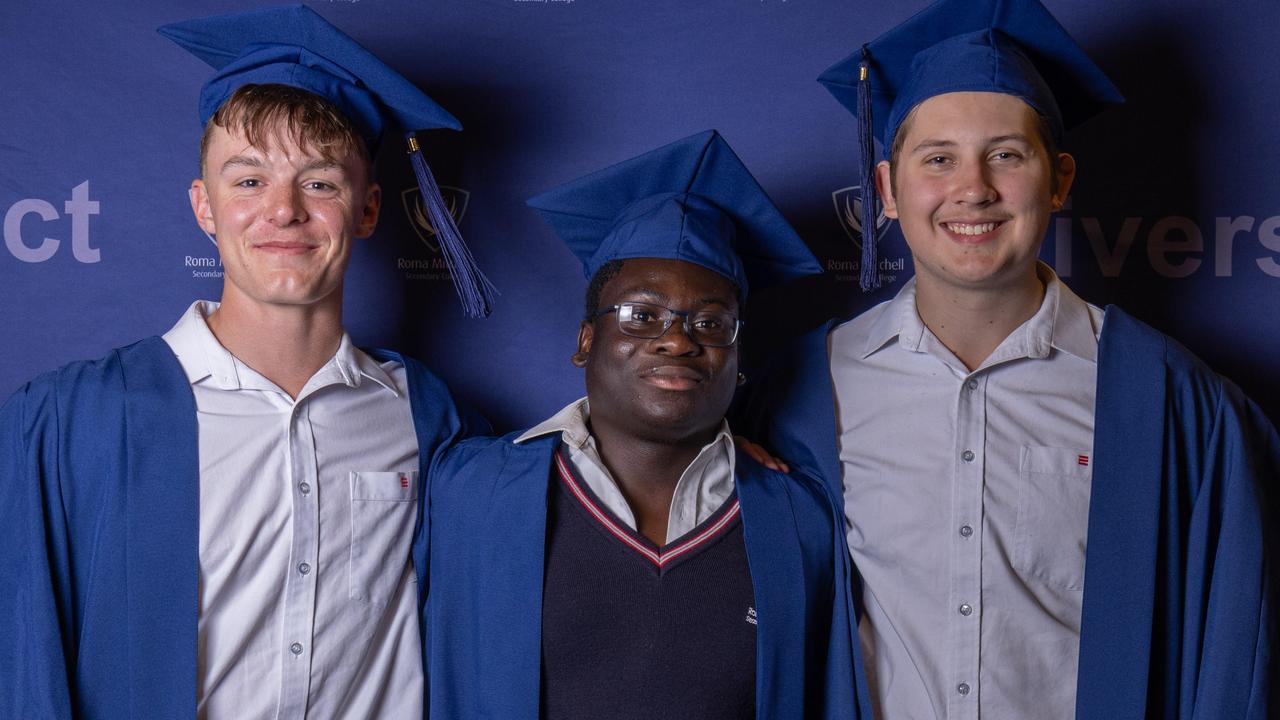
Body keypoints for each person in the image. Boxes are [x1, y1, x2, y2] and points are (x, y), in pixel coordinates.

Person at [739, 0, 1279, 718]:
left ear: (1057, 181)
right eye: (939, 159)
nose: (974, 189)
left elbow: (1234, 659)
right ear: (885, 192)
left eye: (1006, 155)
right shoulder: (803, 396)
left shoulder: (1173, 403)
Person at [0, 6, 491, 718]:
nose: (284, 211)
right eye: (249, 180)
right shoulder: (76, 420)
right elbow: (25, 672)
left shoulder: (430, 418)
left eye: (320, 182)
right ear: (204, 207)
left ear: (368, 208)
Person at [422, 130, 863, 720]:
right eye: (641, 315)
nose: (677, 339)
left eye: (711, 323)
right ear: (585, 340)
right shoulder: (469, 492)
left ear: (739, 356)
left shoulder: (798, 521)